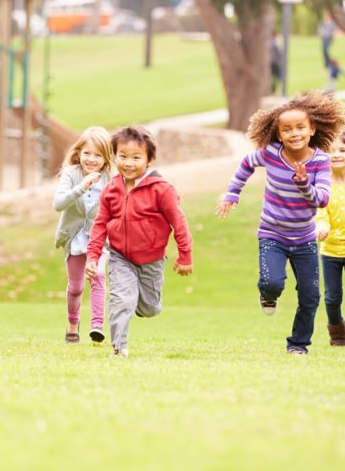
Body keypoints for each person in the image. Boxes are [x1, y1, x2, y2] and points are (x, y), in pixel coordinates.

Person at [216, 91, 345, 355]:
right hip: (272, 234)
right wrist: (232, 193)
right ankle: (268, 294)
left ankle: (298, 344)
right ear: (278, 133)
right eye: (287, 129)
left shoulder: (320, 161)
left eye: (300, 127)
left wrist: (303, 184)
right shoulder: (271, 153)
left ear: (312, 129)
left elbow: (320, 200)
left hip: (305, 239)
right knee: (272, 282)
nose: (294, 133)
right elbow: (246, 163)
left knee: (310, 297)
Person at [86, 125, 193, 357]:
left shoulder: (162, 190)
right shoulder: (110, 190)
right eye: (122, 156)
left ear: (149, 160)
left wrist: (185, 255)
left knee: (150, 308)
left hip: (152, 259)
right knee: (122, 299)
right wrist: (93, 257)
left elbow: (179, 222)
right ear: (115, 157)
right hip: (120, 256)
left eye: (136, 157)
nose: (128, 163)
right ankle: (119, 347)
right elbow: (100, 225)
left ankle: (139, 305)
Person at [53, 126, 114, 344]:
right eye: (87, 153)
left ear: (106, 159)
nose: (91, 159)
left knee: (98, 275)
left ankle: (97, 326)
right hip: (74, 238)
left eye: (98, 155)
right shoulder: (72, 174)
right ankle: (72, 322)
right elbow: (58, 204)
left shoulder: (110, 178)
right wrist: (82, 186)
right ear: (79, 152)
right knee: (76, 287)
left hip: (100, 239)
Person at [316, 132, 345, 346]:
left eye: (341, 150)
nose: (336, 155)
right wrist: (322, 226)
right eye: (331, 151)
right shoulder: (323, 185)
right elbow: (321, 213)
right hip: (330, 252)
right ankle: (337, 332)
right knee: (332, 298)